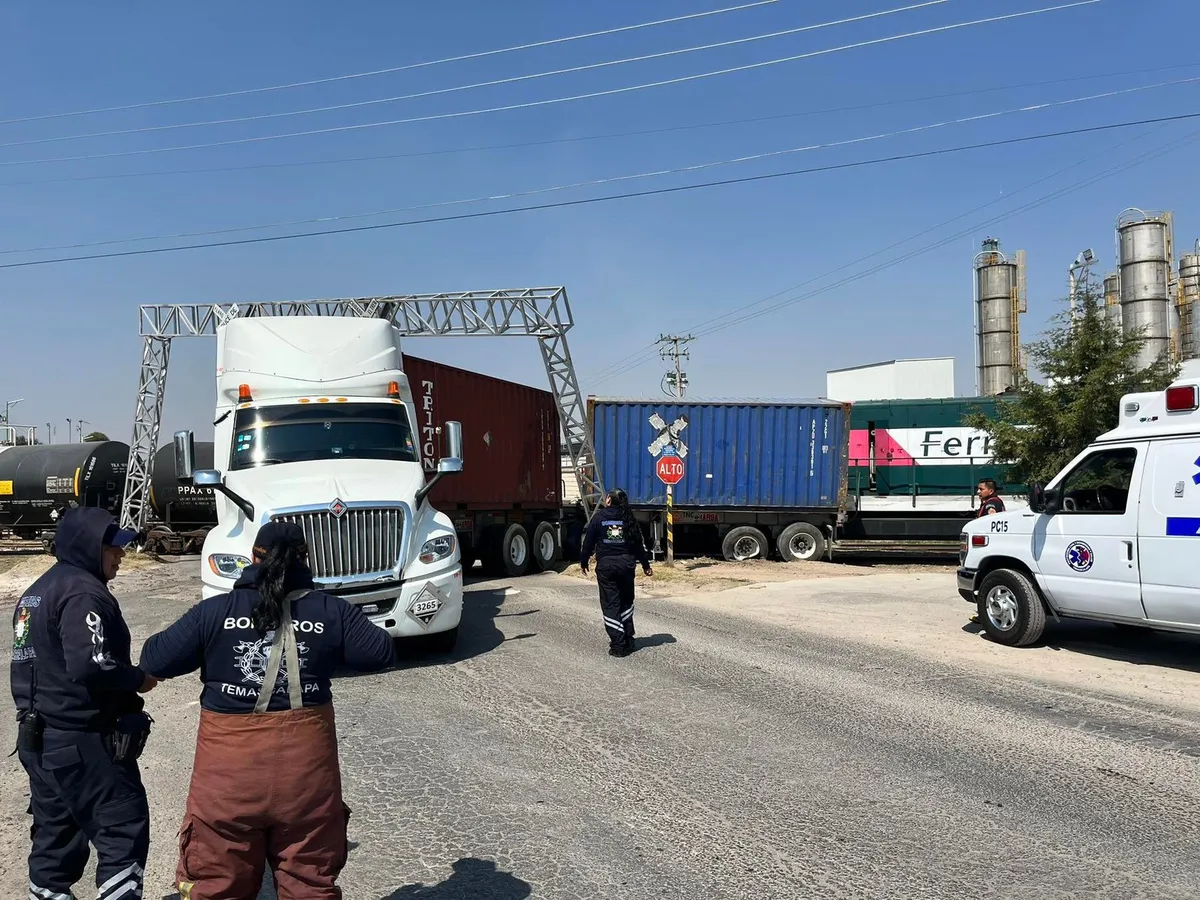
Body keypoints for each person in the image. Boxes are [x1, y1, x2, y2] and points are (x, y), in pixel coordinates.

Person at [139, 520, 395, 900]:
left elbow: (154, 657)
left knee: (217, 883)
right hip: (305, 781)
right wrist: (322, 631)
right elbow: (380, 652)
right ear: (306, 560)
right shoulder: (330, 611)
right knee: (309, 882)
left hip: (227, 782)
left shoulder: (214, 612)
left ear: (253, 558)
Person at [10, 507, 157, 900]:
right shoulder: (82, 592)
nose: (121, 554)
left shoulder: (35, 593)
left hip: (39, 740)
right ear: (90, 546)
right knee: (121, 828)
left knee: (56, 839)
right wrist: (138, 679)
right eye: (113, 547)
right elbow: (91, 666)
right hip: (84, 742)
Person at [579, 489, 653, 657]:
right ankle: (628, 639)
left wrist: (584, 562)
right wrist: (646, 565)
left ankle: (619, 645)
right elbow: (638, 545)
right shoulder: (629, 519)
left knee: (611, 605)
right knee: (626, 602)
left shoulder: (599, 518)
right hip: (627, 566)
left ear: (609, 500)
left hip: (607, 567)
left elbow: (588, 543)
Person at [969, 480, 1007, 625]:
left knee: (987, 582)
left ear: (990, 491)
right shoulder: (994, 501)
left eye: (981, 489)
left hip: (990, 549)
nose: (978, 492)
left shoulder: (991, 504)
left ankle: (986, 615)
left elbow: (990, 523)